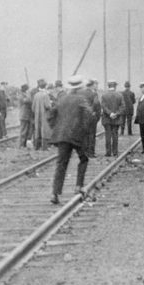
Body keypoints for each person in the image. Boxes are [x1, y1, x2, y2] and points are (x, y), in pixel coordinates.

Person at [48, 75, 94, 205]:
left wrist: (56, 128)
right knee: (84, 158)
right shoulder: (81, 99)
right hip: (77, 136)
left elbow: (51, 115)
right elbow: (89, 114)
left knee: (61, 164)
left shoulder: (61, 99)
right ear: (80, 87)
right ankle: (78, 186)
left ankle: (55, 193)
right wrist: (84, 129)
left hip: (62, 136)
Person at [101, 81, 125, 157]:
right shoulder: (120, 95)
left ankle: (108, 152)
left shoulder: (104, 95)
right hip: (116, 119)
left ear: (108, 86)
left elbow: (103, 107)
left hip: (107, 119)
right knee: (115, 135)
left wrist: (110, 113)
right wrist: (116, 114)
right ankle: (115, 152)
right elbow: (123, 107)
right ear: (115, 87)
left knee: (107, 135)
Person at [83, 79, 102, 157]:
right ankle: (91, 152)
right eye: (95, 84)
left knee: (85, 135)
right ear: (92, 85)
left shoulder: (82, 93)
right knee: (92, 135)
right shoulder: (94, 94)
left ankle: (85, 152)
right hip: (92, 117)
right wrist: (97, 115)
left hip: (83, 117)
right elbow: (97, 104)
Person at [32, 78, 52, 150]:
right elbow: (47, 106)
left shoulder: (36, 95)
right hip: (44, 115)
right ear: (45, 86)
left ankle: (37, 146)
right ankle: (44, 147)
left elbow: (33, 107)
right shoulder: (45, 95)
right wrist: (51, 105)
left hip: (37, 115)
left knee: (37, 130)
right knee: (45, 130)